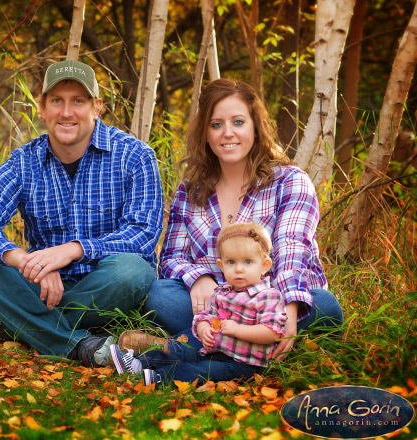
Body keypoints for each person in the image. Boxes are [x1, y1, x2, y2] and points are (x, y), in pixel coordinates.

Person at [0, 59, 164, 365]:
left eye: (78, 101)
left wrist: (74, 250)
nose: (66, 112)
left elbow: (143, 234)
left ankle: (17, 324)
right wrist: (18, 257)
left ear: (97, 107)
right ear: (42, 108)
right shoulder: (25, 161)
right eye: (57, 101)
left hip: (106, 285)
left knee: (134, 271)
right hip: (42, 285)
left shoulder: (135, 155)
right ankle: (79, 345)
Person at [140, 78, 342, 359]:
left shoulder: (290, 181)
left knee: (325, 306)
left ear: (255, 127)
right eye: (216, 124)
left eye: (238, 122)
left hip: (272, 306)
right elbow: (171, 259)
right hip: (216, 304)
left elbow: (292, 251)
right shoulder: (191, 190)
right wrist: (200, 278)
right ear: (206, 134)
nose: (227, 133)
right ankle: (249, 348)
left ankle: (179, 347)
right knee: (159, 295)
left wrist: (291, 311)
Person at [110, 223, 287, 386]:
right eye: (231, 262)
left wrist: (237, 330)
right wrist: (203, 327)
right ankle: (138, 362)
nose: (239, 269)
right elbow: (206, 315)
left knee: (200, 371)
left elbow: (271, 333)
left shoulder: (267, 297)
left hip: (244, 364)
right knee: (184, 354)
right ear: (221, 265)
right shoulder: (222, 291)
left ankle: (160, 377)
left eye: (248, 262)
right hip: (213, 350)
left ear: (264, 265)